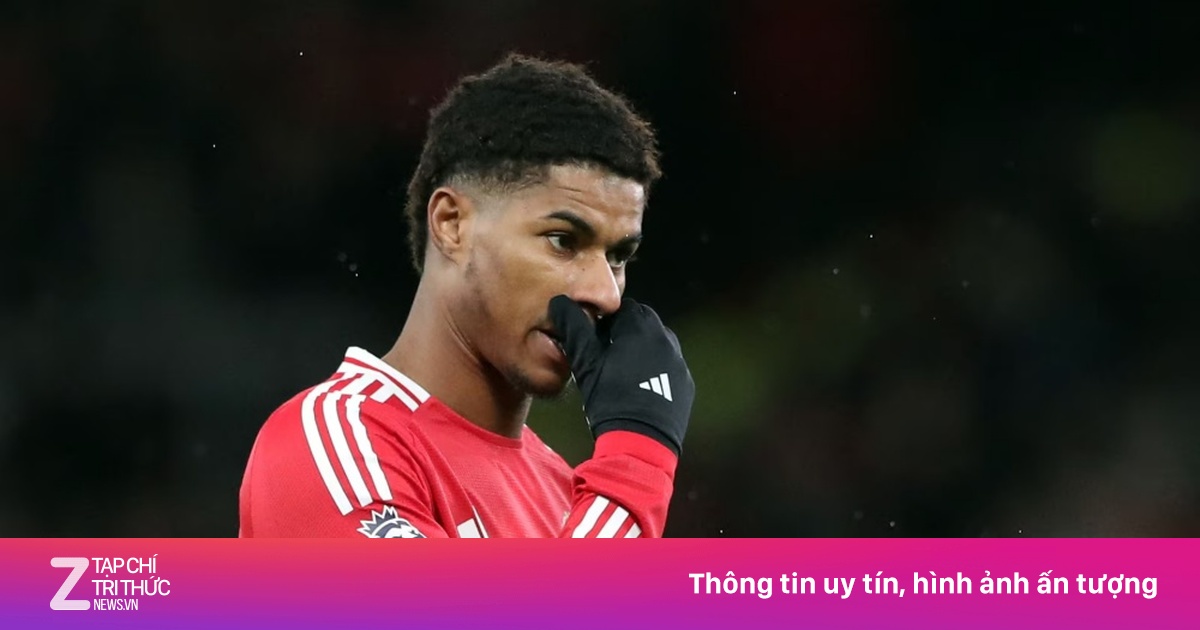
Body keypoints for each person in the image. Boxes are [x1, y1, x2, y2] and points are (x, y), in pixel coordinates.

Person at [238, 54, 694, 538]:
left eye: (618, 256)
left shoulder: (568, 496)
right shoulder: (334, 442)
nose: (603, 293)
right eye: (563, 240)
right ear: (451, 224)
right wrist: (637, 459)